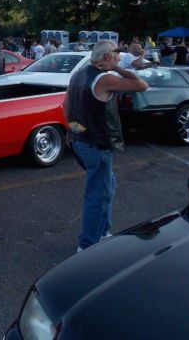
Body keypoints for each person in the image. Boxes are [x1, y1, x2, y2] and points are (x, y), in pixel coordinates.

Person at [63, 40, 148, 252]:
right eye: (117, 55)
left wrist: (73, 132)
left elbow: (66, 106)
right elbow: (141, 85)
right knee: (97, 194)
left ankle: (102, 232)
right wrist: (117, 68)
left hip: (80, 141)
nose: (120, 58)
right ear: (107, 58)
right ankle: (88, 244)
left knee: (107, 186)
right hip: (96, 144)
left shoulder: (78, 74)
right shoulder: (104, 78)